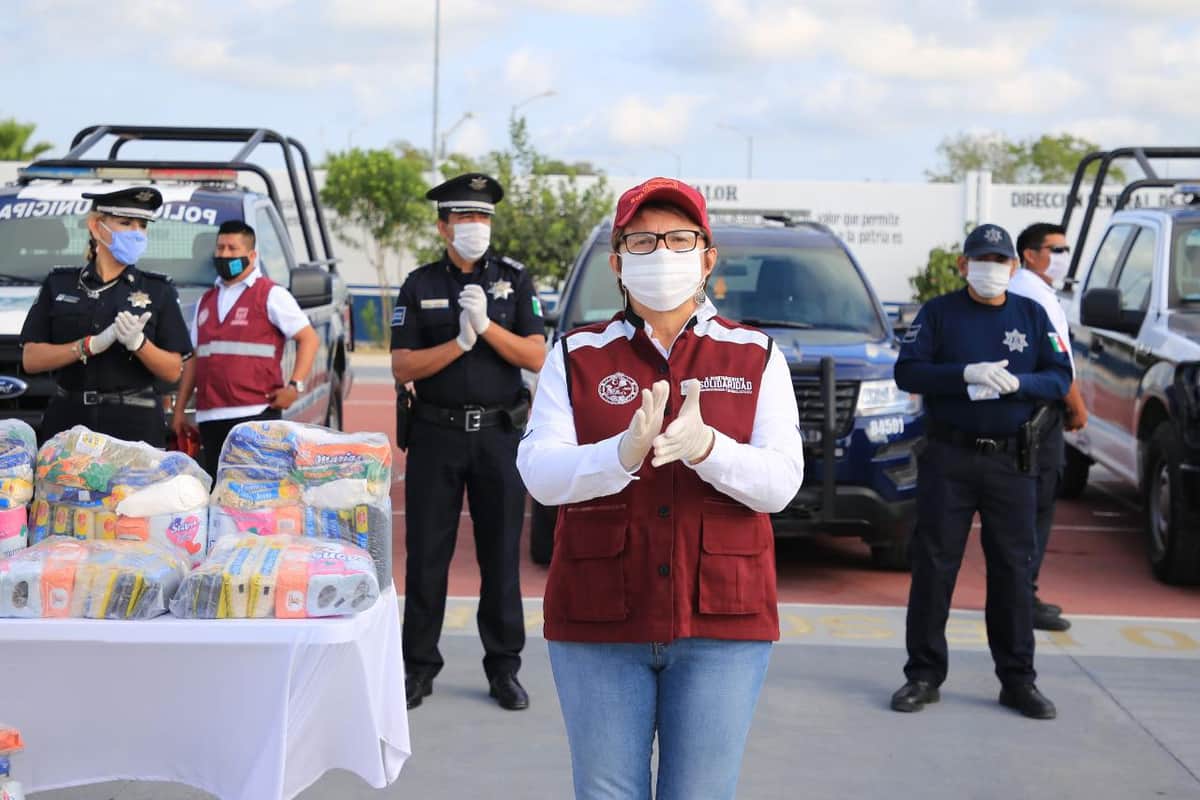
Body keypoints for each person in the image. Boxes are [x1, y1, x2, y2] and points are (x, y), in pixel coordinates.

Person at [517, 177, 804, 799]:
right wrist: (617, 456)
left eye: (678, 239)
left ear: (706, 257)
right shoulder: (576, 355)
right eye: (642, 241)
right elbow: (540, 473)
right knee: (605, 792)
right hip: (598, 617)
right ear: (618, 262)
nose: (661, 253)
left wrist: (708, 450)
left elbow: (780, 483)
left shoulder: (755, 355)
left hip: (722, 624)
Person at [890, 223, 1072, 720]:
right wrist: (963, 374)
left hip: (1012, 459)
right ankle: (923, 675)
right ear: (964, 264)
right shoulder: (939, 313)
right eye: (981, 259)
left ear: (1015, 267)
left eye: (999, 260)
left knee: (1013, 570)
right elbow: (908, 370)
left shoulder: (1031, 314)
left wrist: (1020, 384)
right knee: (933, 566)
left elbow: (1060, 376)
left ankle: (1018, 680)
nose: (990, 269)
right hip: (950, 456)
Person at [391, 173, 546, 711]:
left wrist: (485, 328)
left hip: (499, 437)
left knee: (501, 556)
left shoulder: (513, 281)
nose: (476, 227)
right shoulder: (419, 284)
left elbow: (535, 355)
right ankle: (417, 666)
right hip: (436, 434)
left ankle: (504, 668)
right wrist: (459, 343)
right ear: (443, 226)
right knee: (426, 557)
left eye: (483, 217)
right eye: (465, 217)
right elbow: (403, 363)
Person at [20, 187, 192, 447]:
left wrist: (139, 345)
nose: (136, 232)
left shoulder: (158, 289)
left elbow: (173, 371)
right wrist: (86, 346)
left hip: (134, 421)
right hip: (69, 419)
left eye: (142, 225)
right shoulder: (60, 284)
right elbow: (31, 359)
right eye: (125, 223)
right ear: (96, 226)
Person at [172, 220, 319, 476]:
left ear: (251, 255)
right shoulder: (206, 301)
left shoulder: (271, 294)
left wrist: (295, 386)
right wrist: (180, 411)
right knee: (219, 495)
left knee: (256, 499)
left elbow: (309, 338)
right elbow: (194, 359)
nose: (225, 254)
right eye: (220, 248)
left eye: (232, 248)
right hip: (210, 417)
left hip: (255, 415)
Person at [1011, 222, 1088, 632]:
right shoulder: (1031, 292)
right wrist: (1076, 408)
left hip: (1040, 409)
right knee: (1036, 505)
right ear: (1029, 254)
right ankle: (1022, 595)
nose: (1062, 257)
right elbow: (1058, 360)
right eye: (1054, 249)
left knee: (1037, 503)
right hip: (1041, 413)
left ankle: (1025, 592)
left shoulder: (1038, 291)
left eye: (1065, 249)